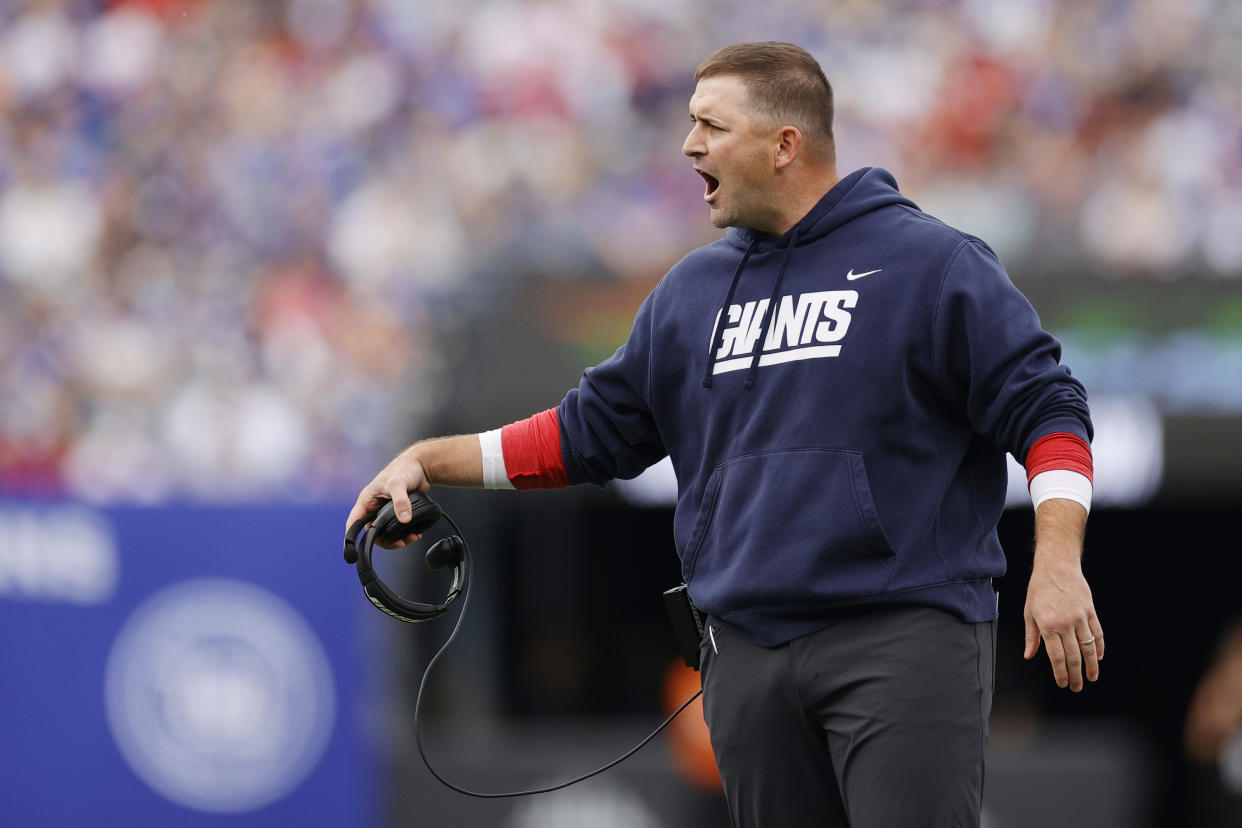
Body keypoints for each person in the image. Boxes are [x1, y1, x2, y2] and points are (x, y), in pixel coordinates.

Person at [347, 41, 1105, 828]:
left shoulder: (932, 263)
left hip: (900, 637)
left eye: (711, 124)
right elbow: (580, 436)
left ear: (786, 145)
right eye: (689, 123)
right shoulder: (689, 293)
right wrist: (430, 460)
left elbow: (1049, 411)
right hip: (746, 652)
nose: (688, 144)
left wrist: (1056, 562)